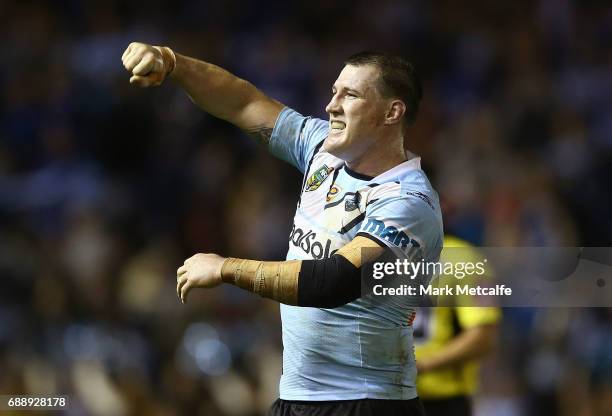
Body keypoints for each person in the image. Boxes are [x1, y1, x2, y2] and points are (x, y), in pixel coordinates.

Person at [121, 42, 443, 415]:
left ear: (392, 112)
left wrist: (226, 268)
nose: (331, 105)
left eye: (350, 95)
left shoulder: (407, 201)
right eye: (333, 92)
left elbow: (334, 280)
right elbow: (242, 102)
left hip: (366, 402)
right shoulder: (322, 150)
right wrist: (173, 62)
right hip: (298, 399)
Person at [414, 235, 501, 416]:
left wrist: (421, 366)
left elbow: (484, 336)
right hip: (381, 396)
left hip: (442, 399)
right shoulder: (376, 251)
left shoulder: (466, 257)